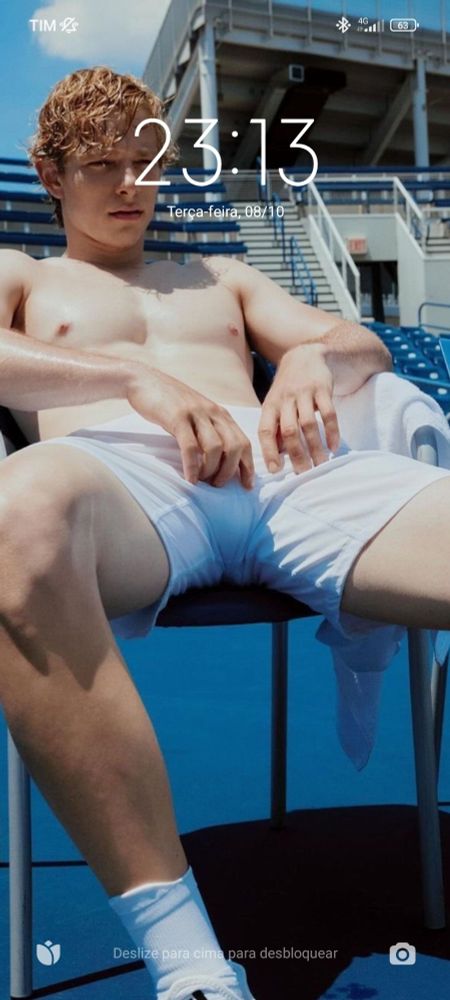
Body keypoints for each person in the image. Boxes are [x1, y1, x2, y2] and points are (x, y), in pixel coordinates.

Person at [1, 66, 450, 1000]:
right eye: (102, 165)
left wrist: (314, 362)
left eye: (145, 163)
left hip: (288, 475)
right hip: (124, 482)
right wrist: (131, 379)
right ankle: (192, 965)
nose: (130, 184)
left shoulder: (222, 276)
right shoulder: (24, 274)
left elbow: (357, 340)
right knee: (16, 519)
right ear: (51, 175)